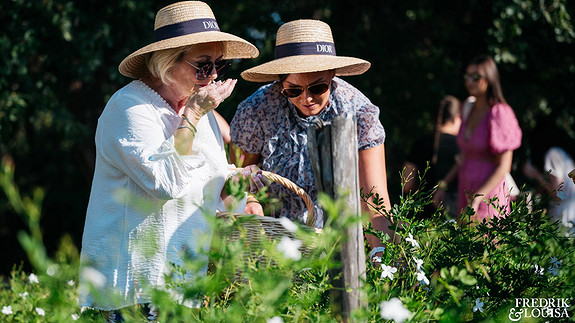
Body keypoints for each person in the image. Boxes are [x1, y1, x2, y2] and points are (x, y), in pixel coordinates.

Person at [78, 1, 260, 318]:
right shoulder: (129, 108)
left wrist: (239, 188)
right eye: (203, 65)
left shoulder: (199, 113)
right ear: (166, 63)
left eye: (220, 65)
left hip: (183, 285)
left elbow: (209, 187)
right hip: (135, 288)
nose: (214, 74)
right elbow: (166, 182)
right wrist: (192, 114)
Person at [229, 19, 392, 253]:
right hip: (275, 241)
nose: (307, 99)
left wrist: (385, 255)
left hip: (340, 244)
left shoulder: (358, 112)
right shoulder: (258, 110)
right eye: (293, 90)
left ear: (332, 74)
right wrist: (251, 202)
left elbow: (375, 202)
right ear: (280, 81)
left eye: (317, 88)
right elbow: (238, 176)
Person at [441, 54, 522, 221]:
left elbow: (503, 167)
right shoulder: (467, 108)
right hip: (466, 189)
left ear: (489, 78)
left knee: (486, 242)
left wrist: (478, 198)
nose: (469, 81)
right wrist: (443, 184)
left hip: (488, 194)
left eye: (475, 77)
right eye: (467, 76)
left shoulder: (499, 113)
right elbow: (465, 157)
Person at [403, 95, 461, 218]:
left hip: (421, 217)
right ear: (457, 118)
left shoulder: (421, 144)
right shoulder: (463, 149)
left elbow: (406, 184)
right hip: (454, 216)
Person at [523, 116, 575, 233]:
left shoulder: (553, 155)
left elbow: (559, 194)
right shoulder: (564, 154)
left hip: (565, 221)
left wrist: (535, 174)